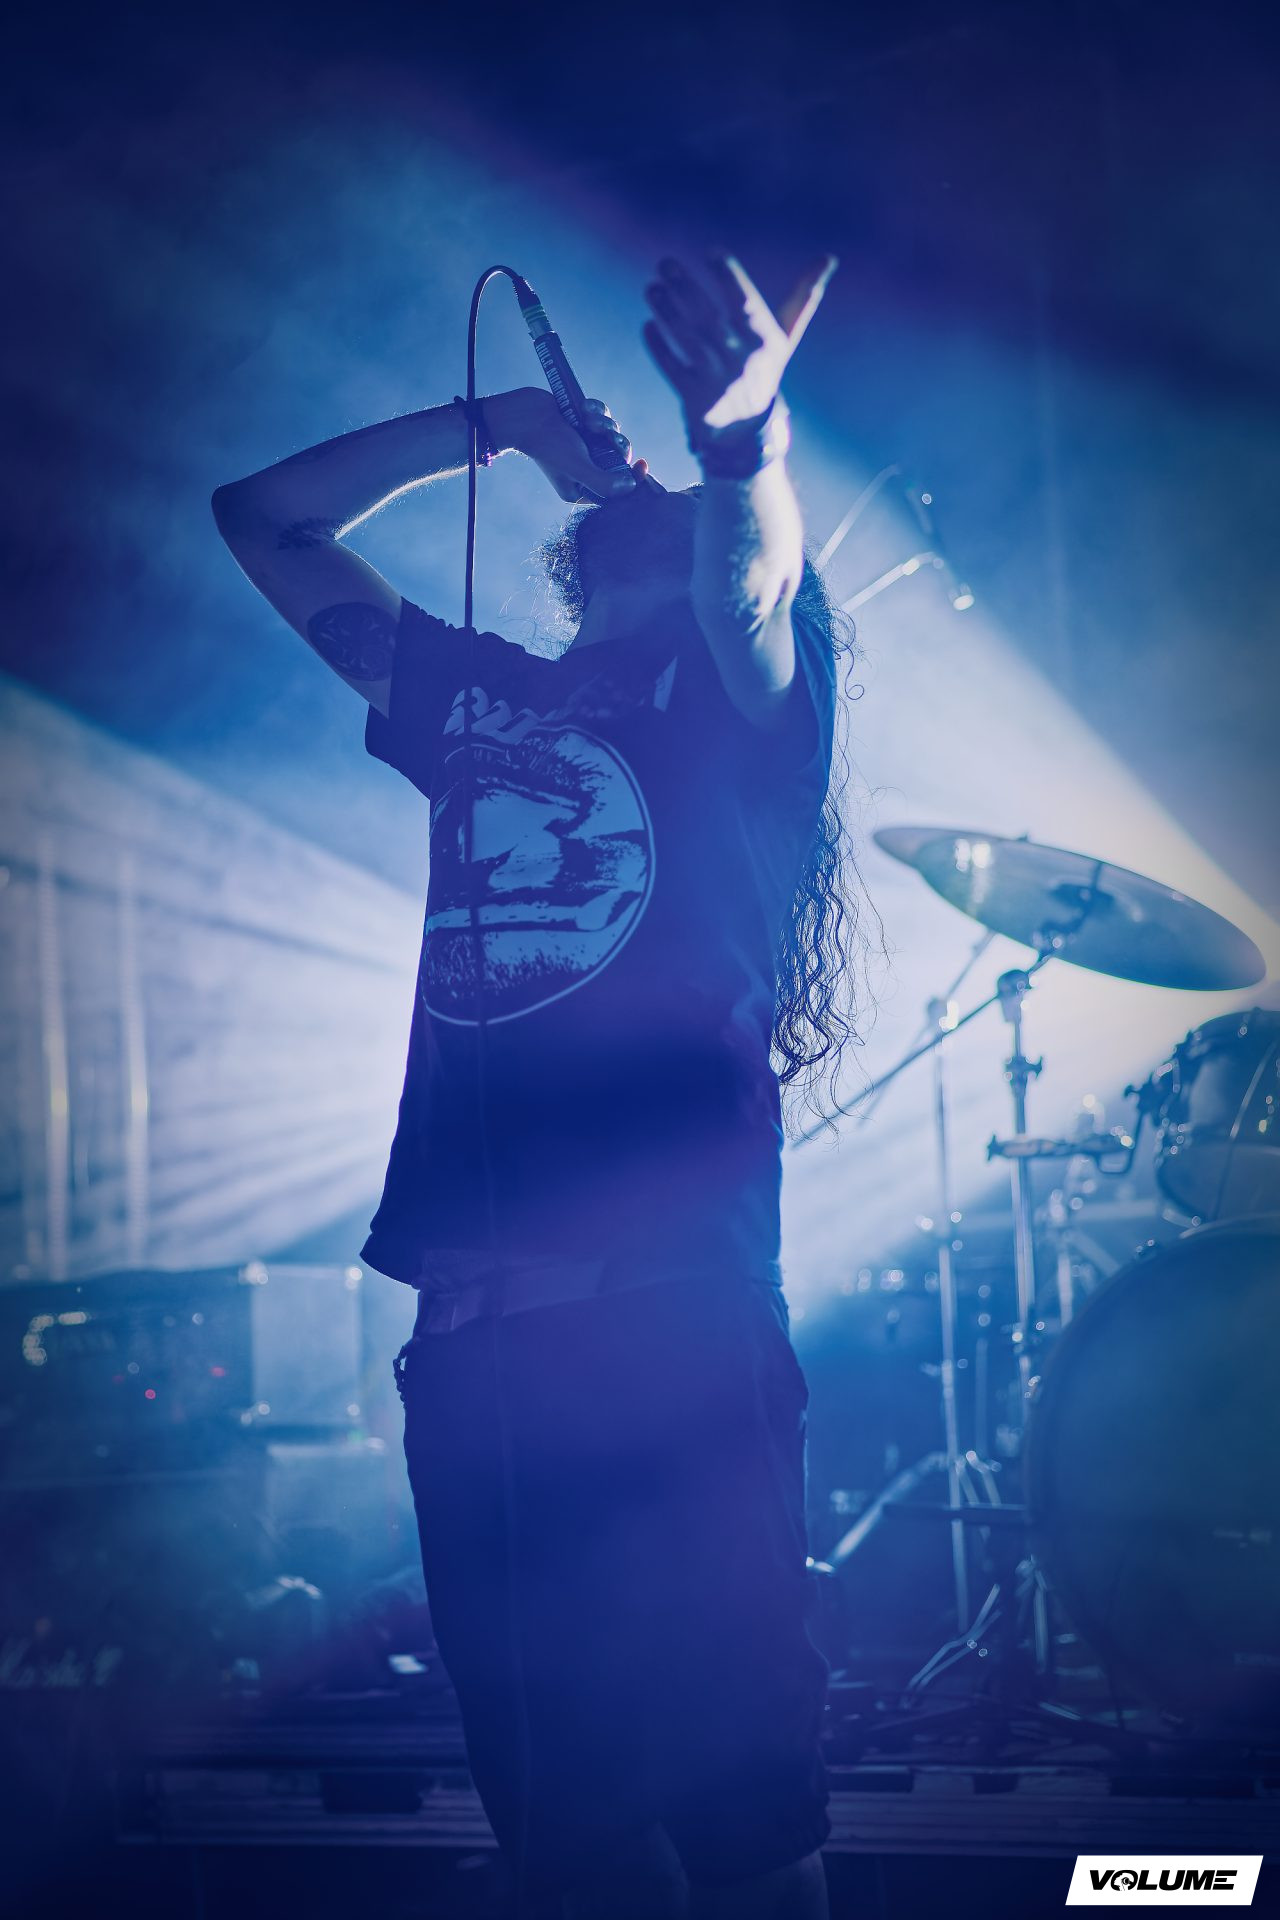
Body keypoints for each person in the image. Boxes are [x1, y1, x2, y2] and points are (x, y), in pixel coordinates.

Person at [213, 253, 862, 1919]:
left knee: (743, 1831)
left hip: (669, 1339)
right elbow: (262, 519)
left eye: (676, 498)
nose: (641, 491)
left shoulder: (735, 703)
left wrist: (742, 442)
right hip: (478, 1360)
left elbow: (754, 587)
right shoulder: (475, 696)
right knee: (568, 1842)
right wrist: (495, 423)